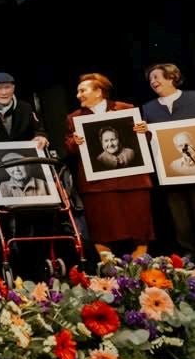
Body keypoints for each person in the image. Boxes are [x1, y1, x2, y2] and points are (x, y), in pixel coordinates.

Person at [65, 73, 153, 260]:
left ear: (99, 92)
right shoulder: (75, 118)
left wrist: (144, 131)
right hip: (97, 184)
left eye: (83, 90)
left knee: (138, 223)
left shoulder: (126, 110)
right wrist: (75, 142)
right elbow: (68, 147)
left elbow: (142, 142)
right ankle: (109, 266)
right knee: (102, 226)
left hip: (132, 180)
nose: (78, 95)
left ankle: (140, 264)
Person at [139, 62, 195, 264]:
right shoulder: (149, 108)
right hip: (169, 169)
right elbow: (149, 139)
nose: (153, 82)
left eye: (157, 77)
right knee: (179, 214)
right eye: (150, 80)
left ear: (171, 77)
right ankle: (188, 253)